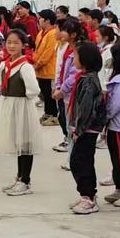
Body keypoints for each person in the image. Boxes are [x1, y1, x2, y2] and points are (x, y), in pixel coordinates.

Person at [0, 29, 41, 195]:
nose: (12, 46)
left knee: (25, 144)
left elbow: (34, 90)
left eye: (16, 42)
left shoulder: (25, 66)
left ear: (23, 45)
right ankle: (19, 176)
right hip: (8, 105)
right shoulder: (4, 65)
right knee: (17, 143)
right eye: (9, 42)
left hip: (22, 106)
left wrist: (22, 98)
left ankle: (25, 180)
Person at [68, 42, 106, 214]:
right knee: (81, 161)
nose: (73, 59)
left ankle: (89, 197)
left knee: (80, 162)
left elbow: (86, 109)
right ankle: (87, 194)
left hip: (87, 128)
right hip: (84, 127)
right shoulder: (84, 77)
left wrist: (79, 130)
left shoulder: (89, 82)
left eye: (75, 56)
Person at [52, 19, 87, 170]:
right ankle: (72, 157)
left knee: (74, 128)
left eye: (64, 30)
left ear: (73, 34)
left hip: (74, 94)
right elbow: (62, 69)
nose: (61, 32)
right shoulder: (67, 48)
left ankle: (74, 159)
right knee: (69, 126)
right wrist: (58, 86)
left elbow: (76, 74)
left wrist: (63, 89)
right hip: (66, 93)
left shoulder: (80, 50)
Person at [104, 44, 120, 207]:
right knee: (116, 160)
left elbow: (115, 104)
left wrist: (105, 115)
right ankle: (119, 188)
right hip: (115, 127)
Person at [34, 9, 58, 126]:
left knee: (50, 94)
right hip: (40, 70)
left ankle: (53, 115)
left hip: (49, 70)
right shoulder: (41, 33)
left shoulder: (53, 34)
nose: (38, 20)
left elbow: (48, 52)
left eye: (40, 18)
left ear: (47, 20)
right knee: (45, 93)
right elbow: (37, 50)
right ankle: (47, 113)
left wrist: (38, 63)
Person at [52, 19, 70, 153]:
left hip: (66, 86)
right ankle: (66, 137)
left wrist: (62, 87)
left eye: (57, 28)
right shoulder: (59, 45)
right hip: (58, 82)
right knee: (61, 114)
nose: (55, 31)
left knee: (65, 115)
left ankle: (69, 139)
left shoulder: (70, 48)